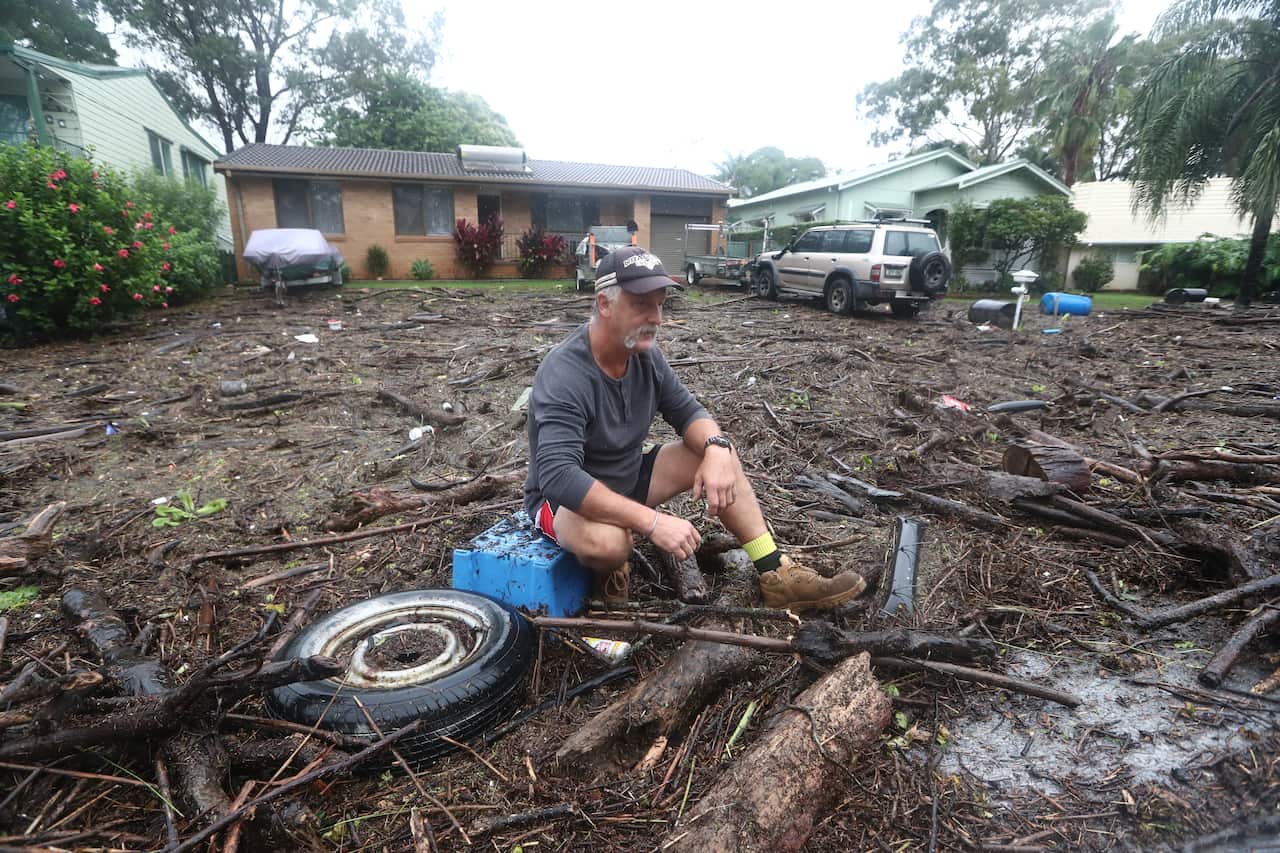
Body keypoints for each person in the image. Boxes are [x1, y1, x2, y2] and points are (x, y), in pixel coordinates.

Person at [523, 245, 867, 611]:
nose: (656, 317)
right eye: (641, 304)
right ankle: (609, 576)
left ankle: (775, 572)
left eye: (660, 304)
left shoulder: (646, 357)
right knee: (611, 543)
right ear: (605, 304)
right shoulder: (566, 374)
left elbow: (689, 413)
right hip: (563, 504)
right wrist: (653, 523)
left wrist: (718, 448)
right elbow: (559, 476)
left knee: (716, 451)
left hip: (626, 480)